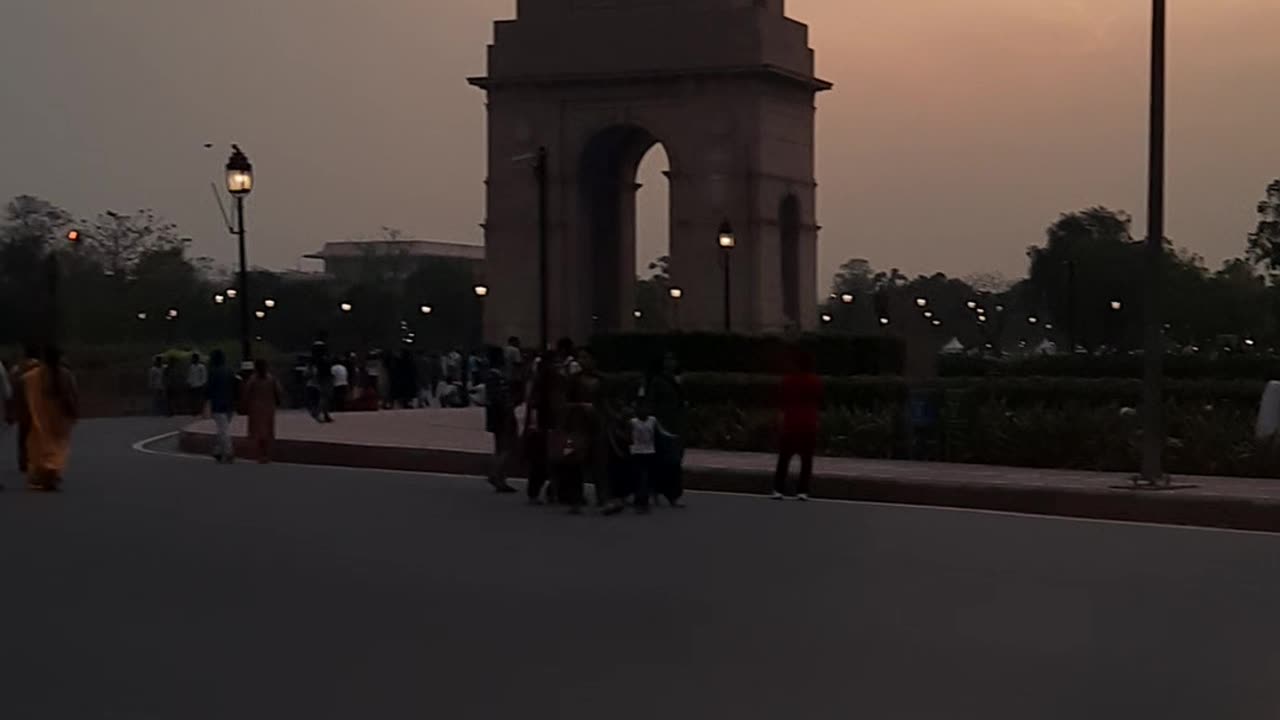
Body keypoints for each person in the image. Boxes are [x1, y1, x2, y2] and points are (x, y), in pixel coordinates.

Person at [18, 345, 78, 492]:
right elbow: (72, 395)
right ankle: (51, 474)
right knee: (57, 447)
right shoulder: (66, 374)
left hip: (39, 416)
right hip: (59, 418)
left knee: (39, 447)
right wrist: (73, 412)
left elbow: (22, 391)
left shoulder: (31, 376)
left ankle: (44, 476)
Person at [773, 348, 823, 501]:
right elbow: (818, 401)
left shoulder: (788, 380)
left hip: (791, 423)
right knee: (806, 460)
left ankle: (778, 489)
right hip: (809, 423)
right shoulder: (816, 382)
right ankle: (802, 490)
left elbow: (782, 401)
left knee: (784, 459)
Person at [643, 351, 689, 507]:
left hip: (677, 426)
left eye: (673, 359)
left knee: (675, 462)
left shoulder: (679, 381)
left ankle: (673, 495)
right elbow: (651, 404)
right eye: (668, 359)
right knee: (663, 461)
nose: (671, 362)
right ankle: (656, 491)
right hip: (662, 426)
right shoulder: (657, 381)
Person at [483, 346, 519, 494]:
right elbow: (501, 397)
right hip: (502, 413)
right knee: (507, 446)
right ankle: (496, 474)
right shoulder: (498, 376)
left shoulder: (490, 375)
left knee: (499, 446)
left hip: (493, 413)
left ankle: (500, 479)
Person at [522, 353, 557, 504]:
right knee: (541, 462)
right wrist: (534, 426)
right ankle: (537, 492)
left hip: (547, 427)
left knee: (548, 461)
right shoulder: (540, 386)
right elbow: (534, 408)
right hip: (542, 429)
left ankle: (549, 490)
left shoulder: (544, 385)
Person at [242, 358, 282, 463]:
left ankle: (261, 454)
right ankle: (266, 454)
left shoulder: (253, 380)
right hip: (269, 408)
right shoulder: (271, 379)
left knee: (259, 432)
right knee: (267, 432)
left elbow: (246, 393)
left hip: (256, 409)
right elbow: (278, 392)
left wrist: (245, 405)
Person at [11, 344, 40, 475]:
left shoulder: (17, 369)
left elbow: (12, 388)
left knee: (22, 436)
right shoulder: (42, 369)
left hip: (23, 407)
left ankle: (23, 461)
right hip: (39, 407)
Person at [205, 349, 237, 463]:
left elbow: (208, 389)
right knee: (223, 428)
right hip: (230, 403)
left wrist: (207, 402)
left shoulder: (213, 372)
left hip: (218, 403)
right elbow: (235, 385)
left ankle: (228, 452)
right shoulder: (230, 371)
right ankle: (217, 450)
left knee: (223, 429)